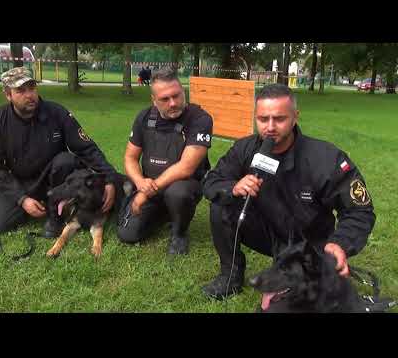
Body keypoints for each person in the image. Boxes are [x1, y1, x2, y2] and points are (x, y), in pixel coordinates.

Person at [201, 83, 376, 300]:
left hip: (310, 243)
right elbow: (212, 180)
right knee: (221, 205)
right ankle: (230, 276)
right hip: (267, 232)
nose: (270, 127)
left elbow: (360, 211)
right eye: (263, 119)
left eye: (279, 119)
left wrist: (339, 244)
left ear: (295, 117)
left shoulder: (326, 158)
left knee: (307, 301)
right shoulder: (244, 149)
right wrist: (233, 188)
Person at [0, 67, 119, 237]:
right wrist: (22, 199)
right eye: (21, 91)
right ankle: (37, 202)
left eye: (32, 88)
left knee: (66, 160)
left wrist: (110, 178)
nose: (29, 95)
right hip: (21, 181)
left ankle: (56, 218)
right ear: (8, 95)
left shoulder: (57, 113)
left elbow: (87, 148)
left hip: (56, 179)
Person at [117, 67, 213, 255]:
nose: (173, 103)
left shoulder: (200, 119)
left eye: (176, 96)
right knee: (127, 234)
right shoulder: (144, 118)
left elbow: (186, 167)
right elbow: (130, 157)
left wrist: (144, 194)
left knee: (178, 193)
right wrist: (140, 183)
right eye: (164, 99)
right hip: (150, 185)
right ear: (154, 101)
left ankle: (179, 232)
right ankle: (164, 214)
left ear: (183, 91)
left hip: (182, 185)